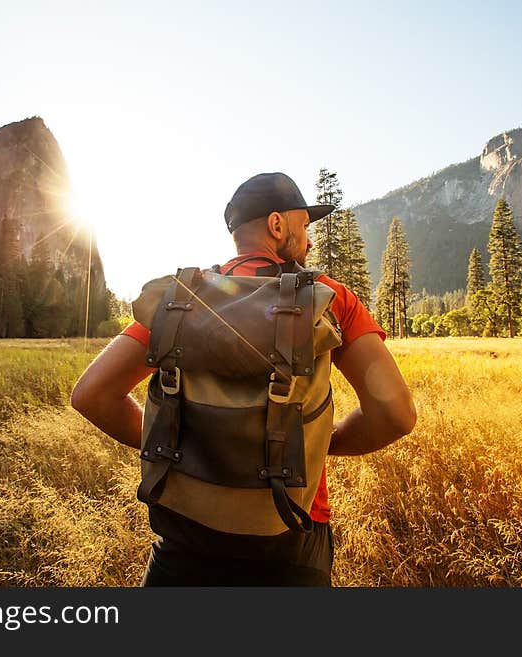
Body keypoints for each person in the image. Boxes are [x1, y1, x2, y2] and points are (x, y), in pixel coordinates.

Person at [70, 172, 416, 586]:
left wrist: (172, 442)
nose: (307, 240)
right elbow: (395, 414)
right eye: (304, 226)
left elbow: (92, 394)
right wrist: (318, 442)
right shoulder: (329, 298)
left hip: (186, 533)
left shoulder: (183, 299)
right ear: (277, 225)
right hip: (292, 531)